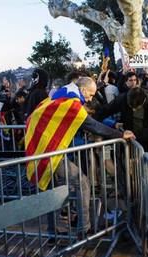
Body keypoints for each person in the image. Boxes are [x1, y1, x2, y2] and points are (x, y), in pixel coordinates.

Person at [25, 76, 135, 238]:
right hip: (50, 151)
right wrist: (120, 134)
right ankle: (84, 229)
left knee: (52, 192)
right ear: (83, 90)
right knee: (82, 183)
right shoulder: (72, 103)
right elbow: (92, 125)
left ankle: (52, 232)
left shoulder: (64, 93)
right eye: (90, 94)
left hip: (45, 148)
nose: (90, 99)